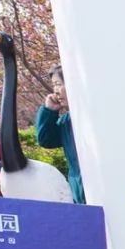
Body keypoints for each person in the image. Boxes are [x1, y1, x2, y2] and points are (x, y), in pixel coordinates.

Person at [34, 64, 85, 203]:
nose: (55, 91)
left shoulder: (91, 117)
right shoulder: (66, 121)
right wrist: (49, 111)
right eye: (54, 85)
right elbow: (46, 139)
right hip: (80, 194)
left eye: (58, 84)